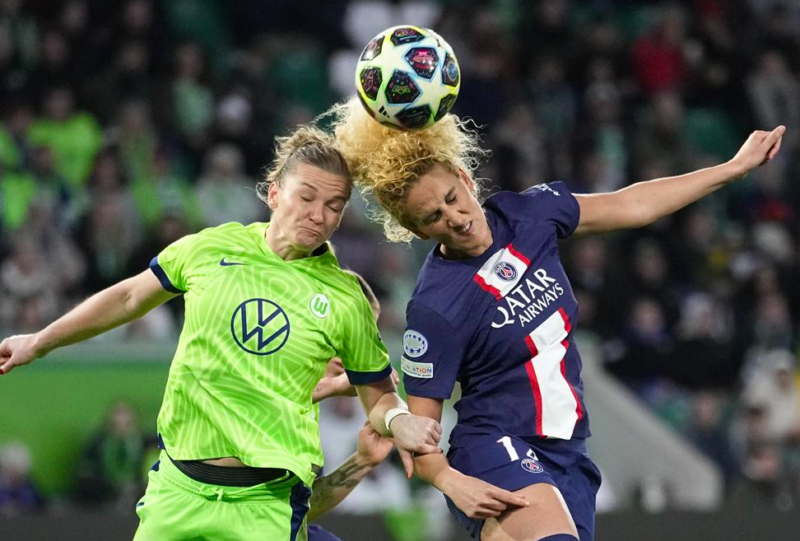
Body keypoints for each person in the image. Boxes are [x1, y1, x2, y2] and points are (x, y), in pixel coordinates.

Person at [332, 96, 785, 541]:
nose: (455, 217)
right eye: (433, 216)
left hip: (570, 455)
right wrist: (452, 482)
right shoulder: (435, 307)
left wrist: (731, 169)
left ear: (465, 178)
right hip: (495, 449)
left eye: (452, 198)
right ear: (416, 230)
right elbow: (420, 432)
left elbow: (631, 205)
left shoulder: (530, 213)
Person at [0, 124, 442, 541]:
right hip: (177, 491)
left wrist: (399, 420)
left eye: (334, 206)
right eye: (306, 197)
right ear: (274, 193)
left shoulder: (346, 298)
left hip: (267, 504)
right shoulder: (212, 248)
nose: (318, 215)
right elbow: (129, 297)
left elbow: (380, 396)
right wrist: (38, 341)